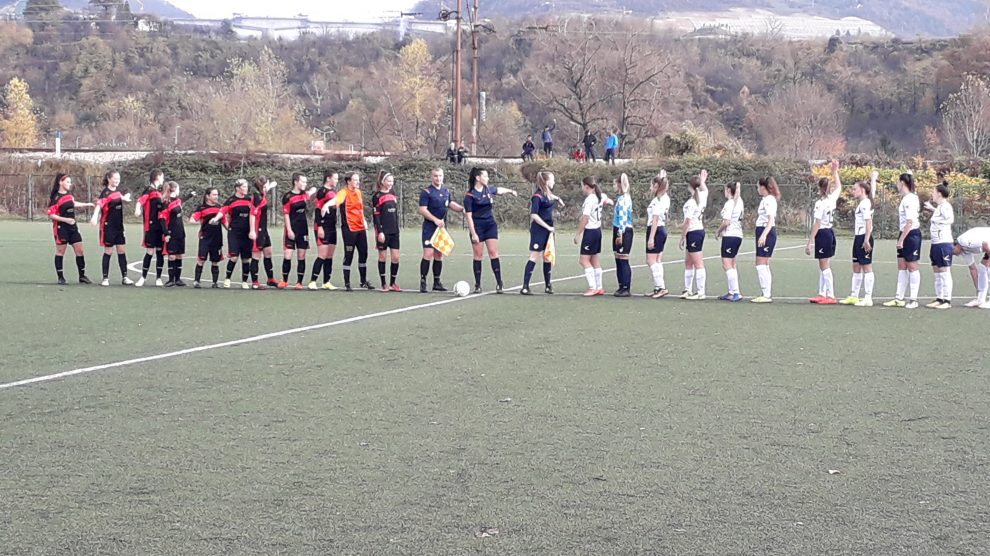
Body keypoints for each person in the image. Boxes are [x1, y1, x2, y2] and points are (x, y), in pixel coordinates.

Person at [464, 167, 518, 293]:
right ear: (478, 178)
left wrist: (511, 191)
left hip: (490, 225)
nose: (487, 178)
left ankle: (499, 283)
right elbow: (469, 217)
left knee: (493, 252)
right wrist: (473, 233)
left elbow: (499, 190)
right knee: (478, 255)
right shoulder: (470, 195)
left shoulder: (488, 189)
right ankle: (478, 285)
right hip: (477, 227)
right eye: (485, 176)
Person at [418, 167, 465, 293]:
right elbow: (422, 209)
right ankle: (423, 281)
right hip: (429, 228)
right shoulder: (426, 192)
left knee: (439, 254)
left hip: (441, 228)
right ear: (431, 177)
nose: (438, 178)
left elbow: (450, 203)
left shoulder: (445, 191)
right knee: (428, 253)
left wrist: (462, 209)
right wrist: (435, 220)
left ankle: (437, 282)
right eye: (435, 176)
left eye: (440, 176)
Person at [883, 173, 922, 309]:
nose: (897, 185)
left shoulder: (910, 199)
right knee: (902, 265)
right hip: (904, 233)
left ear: (902, 183)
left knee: (912, 266)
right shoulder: (907, 198)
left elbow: (910, 222)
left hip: (911, 235)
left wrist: (901, 240)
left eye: (898, 182)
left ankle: (913, 299)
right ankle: (899, 298)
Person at [521, 170, 564, 295]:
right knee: (535, 256)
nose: (554, 182)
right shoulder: (537, 196)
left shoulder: (548, 194)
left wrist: (558, 199)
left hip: (549, 230)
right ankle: (525, 286)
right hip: (539, 230)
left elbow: (551, 197)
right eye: (552, 180)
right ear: (546, 181)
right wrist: (547, 227)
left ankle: (548, 285)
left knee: (547, 256)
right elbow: (534, 215)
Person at [806, 160, 842, 305]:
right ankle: (822, 293)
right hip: (830, 232)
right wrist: (835, 172)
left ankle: (831, 295)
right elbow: (839, 187)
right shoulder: (832, 199)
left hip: (823, 233)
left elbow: (817, 223)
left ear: (820, 188)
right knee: (823, 264)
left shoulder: (820, 203)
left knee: (824, 265)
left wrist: (810, 241)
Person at [47, 173, 95, 285]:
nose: (70, 184)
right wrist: (66, 220)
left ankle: (82, 276)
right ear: (60, 182)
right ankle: (61, 277)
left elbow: (73, 203)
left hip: (73, 228)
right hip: (61, 228)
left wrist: (87, 204)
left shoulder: (69, 195)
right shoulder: (55, 198)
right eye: (67, 182)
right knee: (60, 251)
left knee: (80, 250)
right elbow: (51, 214)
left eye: (70, 182)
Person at [839, 172, 878, 307]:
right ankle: (854, 296)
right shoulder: (865, 202)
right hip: (858, 237)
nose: (852, 191)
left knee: (866, 266)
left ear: (862, 190)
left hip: (863, 237)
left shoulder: (865, 204)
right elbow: (872, 191)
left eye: (855, 189)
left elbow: (869, 222)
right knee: (856, 265)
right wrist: (873, 179)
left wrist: (866, 239)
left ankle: (868, 297)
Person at [90, 170, 134, 287]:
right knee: (108, 251)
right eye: (115, 178)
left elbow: (120, 196)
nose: (117, 181)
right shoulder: (105, 193)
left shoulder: (118, 192)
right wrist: (94, 216)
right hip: (108, 226)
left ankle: (125, 277)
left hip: (119, 226)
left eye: (118, 179)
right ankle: (105, 278)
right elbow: (99, 204)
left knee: (121, 251)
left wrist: (125, 197)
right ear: (109, 179)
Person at [278, 173, 316, 290]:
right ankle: (284, 280)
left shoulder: (305, 194)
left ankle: (299, 282)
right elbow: (286, 214)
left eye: (305, 182)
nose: (305, 184)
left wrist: (312, 190)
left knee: (301, 255)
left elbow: (312, 191)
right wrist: (289, 230)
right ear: (295, 182)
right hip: (291, 228)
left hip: (303, 228)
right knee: (288, 255)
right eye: (303, 182)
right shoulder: (288, 196)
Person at [337, 172, 374, 291]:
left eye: (358, 180)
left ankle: (363, 281)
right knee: (349, 255)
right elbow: (337, 201)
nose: (358, 182)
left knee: (364, 253)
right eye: (355, 180)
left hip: (360, 228)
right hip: (349, 229)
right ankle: (347, 283)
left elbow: (360, 209)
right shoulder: (343, 192)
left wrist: (364, 221)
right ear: (349, 181)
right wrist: (328, 206)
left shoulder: (358, 192)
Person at [574, 176, 610, 297]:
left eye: (582, 186)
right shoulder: (600, 196)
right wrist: (609, 202)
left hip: (590, 232)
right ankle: (599, 287)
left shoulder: (590, 200)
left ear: (586, 187)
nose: (581, 188)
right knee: (594, 259)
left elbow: (585, 218)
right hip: (598, 231)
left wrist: (578, 234)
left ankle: (592, 287)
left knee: (583, 260)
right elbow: (608, 200)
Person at [215, 178, 254, 289]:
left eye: (247, 186)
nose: (246, 188)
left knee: (246, 258)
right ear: (237, 188)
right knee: (234, 257)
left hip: (247, 233)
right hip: (235, 232)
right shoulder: (231, 200)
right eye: (244, 186)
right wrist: (216, 218)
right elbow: (222, 211)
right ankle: (227, 279)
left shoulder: (250, 199)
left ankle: (244, 281)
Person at [923, 182, 955, 309]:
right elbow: (940, 214)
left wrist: (937, 220)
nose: (932, 194)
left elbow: (950, 219)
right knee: (937, 272)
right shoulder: (940, 207)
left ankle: (947, 300)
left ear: (940, 194)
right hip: (936, 243)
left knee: (944, 272)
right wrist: (932, 208)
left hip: (943, 243)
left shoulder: (946, 206)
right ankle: (939, 298)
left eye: (934, 192)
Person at [679, 170, 709, 300]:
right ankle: (688, 289)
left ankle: (701, 292)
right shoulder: (702, 196)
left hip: (694, 232)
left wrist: (682, 237)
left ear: (689, 186)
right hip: (696, 231)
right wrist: (702, 181)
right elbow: (705, 189)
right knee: (688, 262)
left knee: (698, 263)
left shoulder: (692, 203)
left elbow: (687, 222)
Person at [159, 181, 196, 287]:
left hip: (180, 231)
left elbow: (182, 200)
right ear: (174, 189)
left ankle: (178, 279)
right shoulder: (165, 203)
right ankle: (171, 280)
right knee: (172, 256)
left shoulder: (177, 200)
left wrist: (190, 195)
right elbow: (162, 219)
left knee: (179, 255)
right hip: (171, 232)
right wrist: (166, 233)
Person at [752, 176, 781, 303]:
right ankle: (766, 293)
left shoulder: (769, 200)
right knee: (763, 263)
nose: (757, 189)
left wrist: (764, 235)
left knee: (760, 264)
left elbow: (770, 220)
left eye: (758, 186)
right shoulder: (765, 199)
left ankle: (766, 294)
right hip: (762, 230)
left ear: (763, 187)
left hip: (766, 232)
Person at [135, 169, 166, 287]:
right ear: (157, 177)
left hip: (161, 226)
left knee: (160, 252)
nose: (163, 179)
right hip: (151, 226)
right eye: (162, 177)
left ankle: (158, 278)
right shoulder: (149, 190)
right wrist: (137, 209)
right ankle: (143, 277)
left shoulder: (160, 192)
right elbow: (140, 201)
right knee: (150, 251)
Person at [372, 170, 402, 291]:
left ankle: (392, 283)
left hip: (394, 231)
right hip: (383, 232)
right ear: (382, 181)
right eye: (388, 181)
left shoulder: (393, 193)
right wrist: (380, 232)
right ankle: (383, 283)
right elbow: (376, 216)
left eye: (392, 181)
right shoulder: (377, 197)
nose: (390, 183)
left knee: (396, 257)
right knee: (383, 257)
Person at [310, 171, 340, 290]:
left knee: (329, 256)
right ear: (328, 178)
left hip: (332, 227)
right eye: (335, 178)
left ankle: (326, 282)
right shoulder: (322, 192)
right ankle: (313, 281)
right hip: (323, 227)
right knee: (322, 255)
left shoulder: (334, 192)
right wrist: (320, 227)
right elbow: (318, 210)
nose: (337, 180)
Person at [715, 181, 744, 302]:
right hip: (738, 236)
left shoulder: (730, 203)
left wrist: (718, 231)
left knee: (727, 264)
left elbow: (726, 222)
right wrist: (738, 187)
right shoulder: (739, 201)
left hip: (730, 236)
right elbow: (738, 194)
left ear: (728, 190)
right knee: (732, 264)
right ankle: (732, 292)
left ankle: (736, 292)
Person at [190, 187, 224, 289]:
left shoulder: (220, 208)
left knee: (215, 261)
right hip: (205, 238)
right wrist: (195, 221)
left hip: (217, 238)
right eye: (214, 195)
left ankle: (215, 283)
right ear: (208, 196)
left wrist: (231, 230)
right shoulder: (201, 208)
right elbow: (193, 219)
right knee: (201, 259)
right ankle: (196, 281)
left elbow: (224, 221)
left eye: (217, 195)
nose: (216, 197)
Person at [645, 171, 671, 299]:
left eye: (652, 185)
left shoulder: (657, 201)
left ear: (656, 187)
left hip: (656, 230)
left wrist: (651, 238)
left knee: (651, 260)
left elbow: (655, 219)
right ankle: (658, 287)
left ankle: (661, 287)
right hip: (661, 229)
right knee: (657, 260)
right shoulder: (665, 198)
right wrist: (662, 178)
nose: (650, 188)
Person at [250, 176, 279, 288]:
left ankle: (270, 279)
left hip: (264, 229)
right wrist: (252, 231)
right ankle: (255, 282)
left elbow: (272, 185)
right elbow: (252, 214)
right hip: (258, 229)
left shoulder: (262, 194)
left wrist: (269, 186)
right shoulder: (257, 197)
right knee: (256, 255)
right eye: (267, 183)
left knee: (268, 252)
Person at [952, 227, 990, 309]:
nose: (954, 254)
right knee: (982, 268)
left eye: (953, 252)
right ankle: (980, 299)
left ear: (955, 246)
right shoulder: (963, 251)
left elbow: (986, 245)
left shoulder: (965, 241)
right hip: (988, 246)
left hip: (988, 245)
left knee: (986, 268)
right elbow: (973, 270)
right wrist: (979, 289)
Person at [611, 173, 634, 297]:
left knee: (623, 259)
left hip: (624, 231)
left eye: (615, 184)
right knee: (618, 259)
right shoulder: (621, 198)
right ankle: (621, 286)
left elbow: (623, 218)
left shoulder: (624, 199)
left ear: (620, 184)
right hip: (617, 229)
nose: (613, 186)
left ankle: (626, 287)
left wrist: (620, 234)